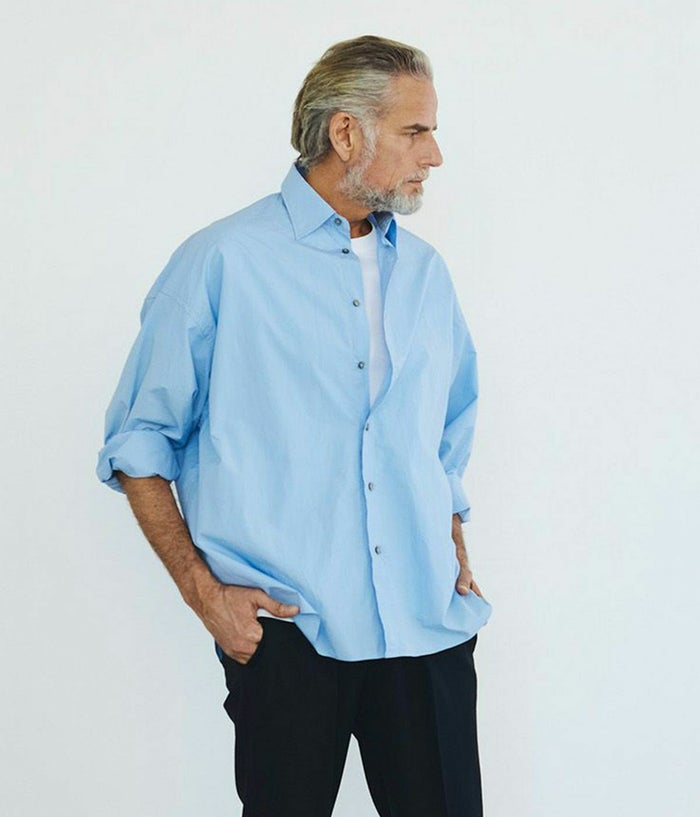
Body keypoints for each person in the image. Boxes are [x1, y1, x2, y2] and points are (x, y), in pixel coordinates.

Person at [96, 33, 493, 817]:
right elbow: (139, 445)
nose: (435, 154)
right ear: (346, 133)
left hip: (424, 622)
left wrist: (448, 534)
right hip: (288, 632)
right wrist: (204, 593)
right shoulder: (222, 261)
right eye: (415, 131)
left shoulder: (427, 273)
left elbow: (446, 428)